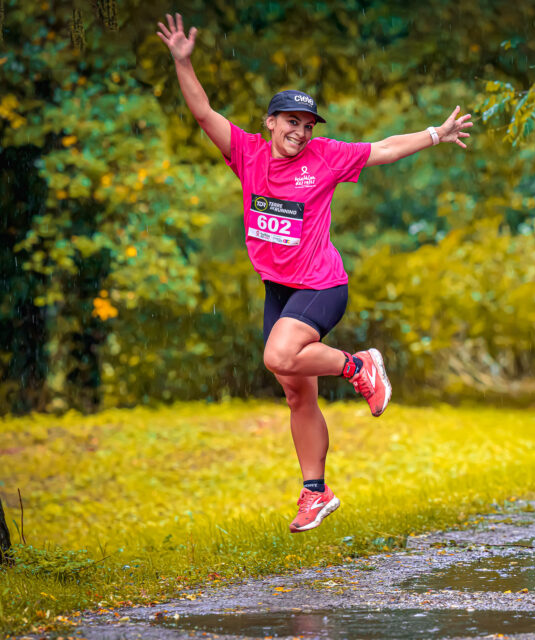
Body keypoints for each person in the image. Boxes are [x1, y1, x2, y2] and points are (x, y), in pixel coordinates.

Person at [156, 13, 472, 533]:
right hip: (279, 291)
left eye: (307, 125)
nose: (300, 132)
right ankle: (315, 491)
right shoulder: (248, 155)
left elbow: (386, 149)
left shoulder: (325, 158)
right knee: (295, 388)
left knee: (278, 354)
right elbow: (202, 112)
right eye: (291, 123)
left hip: (322, 284)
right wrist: (183, 61)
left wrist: (436, 133)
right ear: (270, 122)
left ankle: (360, 366)